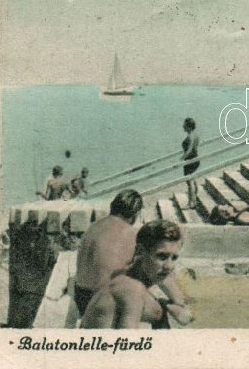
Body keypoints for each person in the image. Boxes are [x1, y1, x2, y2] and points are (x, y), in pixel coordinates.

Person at [74, 190, 190, 323]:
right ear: (136, 214)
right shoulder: (130, 233)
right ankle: (176, 302)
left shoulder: (94, 226)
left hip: (81, 297)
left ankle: (173, 302)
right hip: (102, 302)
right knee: (158, 310)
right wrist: (176, 299)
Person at [80, 220, 187, 329]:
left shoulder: (126, 274)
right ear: (140, 250)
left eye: (174, 258)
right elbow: (128, 339)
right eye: (161, 256)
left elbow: (184, 310)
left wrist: (165, 305)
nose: (169, 266)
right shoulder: (132, 289)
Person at [181, 118, 200, 209]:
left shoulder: (191, 136)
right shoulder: (195, 135)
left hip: (190, 161)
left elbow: (189, 150)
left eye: (184, 125)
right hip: (195, 159)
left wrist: (181, 159)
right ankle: (194, 201)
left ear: (189, 127)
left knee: (190, 182)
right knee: (192, 180)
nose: (183, 126)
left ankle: (190, 203)